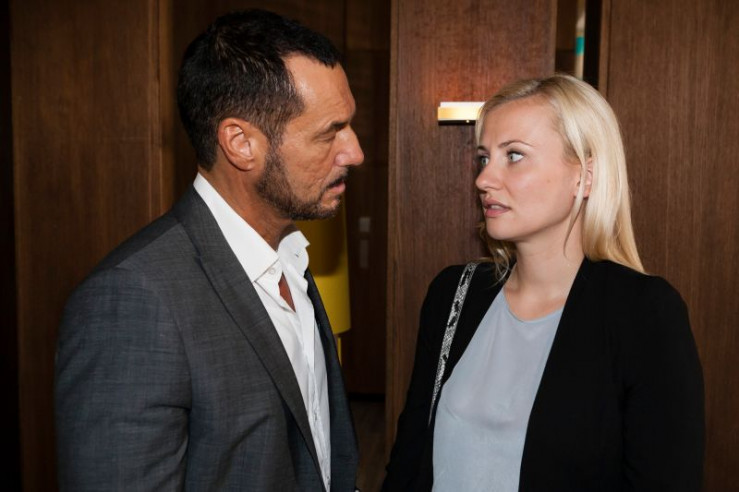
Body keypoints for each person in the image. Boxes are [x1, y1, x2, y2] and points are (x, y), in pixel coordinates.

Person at [55, 9, 363, 491]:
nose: (355, 152)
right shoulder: (134, 300)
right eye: (330, 132)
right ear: (240, 143)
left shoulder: (293, 260)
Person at [383, 74, 704, 491]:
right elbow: (408, 459)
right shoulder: (453, 294)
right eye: (484, 158)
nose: (484, 179)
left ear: (584, 176)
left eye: (514, 155)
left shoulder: (643, 313)